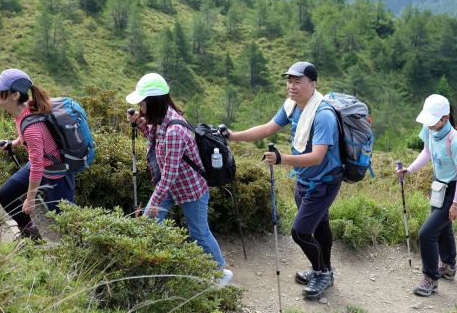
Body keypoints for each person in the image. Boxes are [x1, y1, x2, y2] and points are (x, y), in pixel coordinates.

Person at [224, 61, 343, 299]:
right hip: (305, 179)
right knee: (319, 226)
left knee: (299, 232)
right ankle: (324, 269)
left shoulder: (323, 115)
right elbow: (267, 128)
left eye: (298, 81)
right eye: (289, 80)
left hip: (324, 181)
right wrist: (232, 136)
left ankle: (322, 273)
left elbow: (318, 156)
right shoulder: (293, 106)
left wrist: (281, 159)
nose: (292, 86)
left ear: (313, 84)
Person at [125, 73, 233, 286]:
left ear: (153, 102)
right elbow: (157, 143)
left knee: (199, 232)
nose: (139, 105)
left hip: (191, 189)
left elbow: (169, 175)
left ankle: (221, 272)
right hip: (170, 188)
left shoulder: (175, 129)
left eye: (142, 101)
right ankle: (151, 270)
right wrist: (141, 126)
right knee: (149, 224)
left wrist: (154, 202)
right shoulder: (161, 120)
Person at [0, 68, 76, 240]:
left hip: (57, 173)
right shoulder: (24, 110)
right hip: (42, 164)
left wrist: (30, 198)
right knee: (6, 194)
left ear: (14, 96)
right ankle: (31, 235)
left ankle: (82, 256)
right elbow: (28, 134)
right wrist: (14, 143)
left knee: (65, 220)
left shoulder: (31, 128)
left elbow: (37, 165)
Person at [395, 94, 457, 297]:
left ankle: (430, 278)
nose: (428, 124)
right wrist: (409, 170)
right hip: (439, 186)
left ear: (445, 118)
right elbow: (427, 153)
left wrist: (455, 204)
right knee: (442, 228)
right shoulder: (430, 130)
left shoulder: (455, 141)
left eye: (432, 119)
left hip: (456, 190)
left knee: (426, 233)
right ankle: (449, 266)